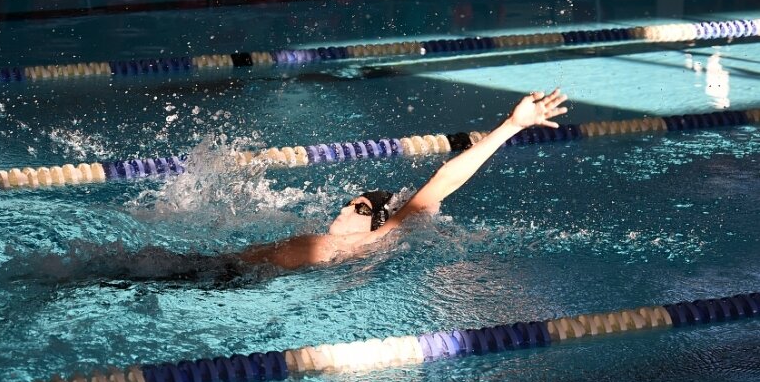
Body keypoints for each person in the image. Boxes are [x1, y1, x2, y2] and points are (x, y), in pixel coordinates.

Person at [238, 89, 568, 270]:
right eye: (351, 203)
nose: (346, 210)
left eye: (361, 209)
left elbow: (443, 181)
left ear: (378, 223)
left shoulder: (375, 240)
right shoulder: (331, 246)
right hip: (221, 271)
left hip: (224, 278)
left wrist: (511, 125)